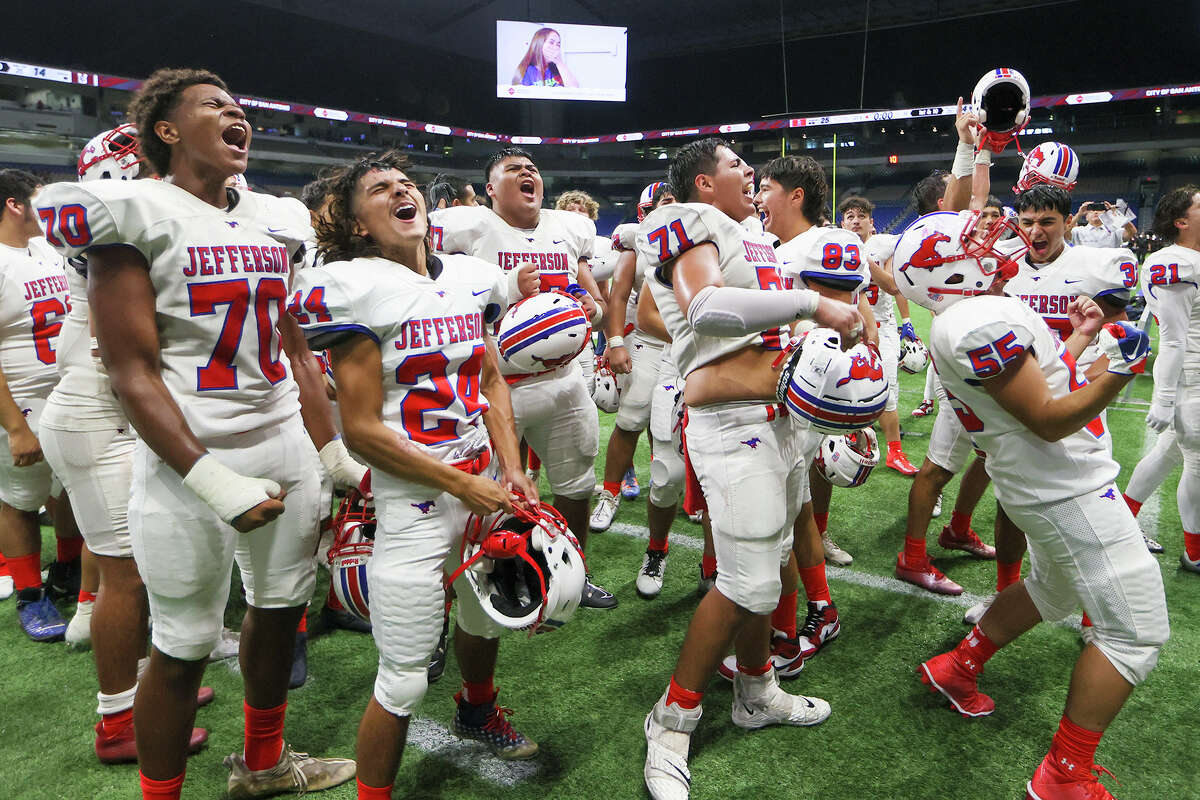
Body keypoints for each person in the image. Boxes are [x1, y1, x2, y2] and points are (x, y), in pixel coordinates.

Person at [36, 67, 355, 800]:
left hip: (283, 443)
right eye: (214, 105)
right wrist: (211, 477)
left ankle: (265, 763)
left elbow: (296, 349)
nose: (236, 114)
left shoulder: (271, 219)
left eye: (241, 107)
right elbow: (130, 372)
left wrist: (330, 449)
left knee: (280, 613)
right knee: (180, 647)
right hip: (188, 460)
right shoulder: (131, 209)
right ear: (167, 131)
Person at [292, 150, 542, 800]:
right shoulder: (354, 287)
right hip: (417, 504)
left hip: (482, 481)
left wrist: (512, 467)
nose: (402, 189)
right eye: (380, 189)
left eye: (405, 182)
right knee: (402, 679)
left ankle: (477, 707)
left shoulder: (467, 276)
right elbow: (366, 430)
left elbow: (489, 377)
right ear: (360, 226)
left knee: (485, 617)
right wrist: (463, 484)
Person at [897, 208, 1167, 800]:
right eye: (974, 242)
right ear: (945, 270)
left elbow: (1040, 383)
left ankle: (958, 666)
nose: (995, 239)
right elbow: (1045, 418)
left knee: (1053, 590)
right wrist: (1122, 370)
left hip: (1041, 484)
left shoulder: (976, 312)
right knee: (1135, 632)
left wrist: (1078, 339)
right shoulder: (976, 321)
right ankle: (1064, 774)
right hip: (1063, 486)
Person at [638, 138, 862, 800]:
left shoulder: (752, 236)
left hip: (776, 417)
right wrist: (809, 305)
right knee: (745, 585)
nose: (751, 172)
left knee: (777, 563)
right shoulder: (684, 220)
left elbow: (767, 333)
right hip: (733, 424)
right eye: (737, 164)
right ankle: (670, 720)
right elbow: (706, 308)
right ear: (702, 183)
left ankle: (757, 690)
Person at [429, 147, 614, 608]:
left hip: (564, 380)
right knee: (481, 500)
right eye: (513, 170)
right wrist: (506, 287)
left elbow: (596, 301)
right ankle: (484, 586)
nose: (527, 173)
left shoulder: (567, 228)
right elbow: (433, 295)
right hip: (494, 387)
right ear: (490, 189)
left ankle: (572, 571)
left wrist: (593, 309)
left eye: (532, 168)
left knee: (575, 483)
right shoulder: (465, 228)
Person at [0, 168, 73, 642]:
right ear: (14, 205)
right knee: (19, 502)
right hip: (21, 401)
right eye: (39, 200)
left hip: (66, 392)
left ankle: (68, 570)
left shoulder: (45, 249)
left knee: (70, 490)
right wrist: (14, 427)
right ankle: (30, 592)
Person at [591, 183, 678, 538]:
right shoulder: (635, 240)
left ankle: (668, 493)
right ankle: (609, 493)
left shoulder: (699, 234)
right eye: (666, 202)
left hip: (684, 345)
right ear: (649, 209)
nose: (673, 207)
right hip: (646, 341)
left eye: (677, 200)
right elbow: (619, 295)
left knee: (671, 425)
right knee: (632, 416)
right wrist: (614, 342)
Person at [837, 195, 919, 481]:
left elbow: (895, 287)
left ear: (872, 222)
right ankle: (852, 439)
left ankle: (895, 452)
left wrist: (866, 262)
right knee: (845, 388)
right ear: (842, 223)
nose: (856, 220)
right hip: (848, 328)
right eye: (850, 216)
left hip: (882, 328)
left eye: (861, 215)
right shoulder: (836, 246)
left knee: (887, 389)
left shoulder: (886, 244)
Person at [1140, 185, 1200, 574]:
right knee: (1197, 462)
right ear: (1182, 221)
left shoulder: (1190, 259)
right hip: (1191, 377)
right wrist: (1163, 398)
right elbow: (1174, 338)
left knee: (1169, 453)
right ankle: (1195, 553)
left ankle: (1124, 518)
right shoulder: (1175, 263)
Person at [511, 28, 579, 88]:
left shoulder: (558, 69)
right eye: (551, 42)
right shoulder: (526, 71)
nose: (555, 48)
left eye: (558, 45)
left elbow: (574, 89)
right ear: (539, 44)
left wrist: (559, 63)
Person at [1071, 201, 1136, 248]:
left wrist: (1117, 213)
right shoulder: (1078, 231)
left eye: (1099, 210)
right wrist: (1079, 214)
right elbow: (1064, 231)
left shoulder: (1114, 230)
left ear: (1106, 214)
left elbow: (1132, 231)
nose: (1095, 212)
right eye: (1091, 211)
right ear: (1086, 217)